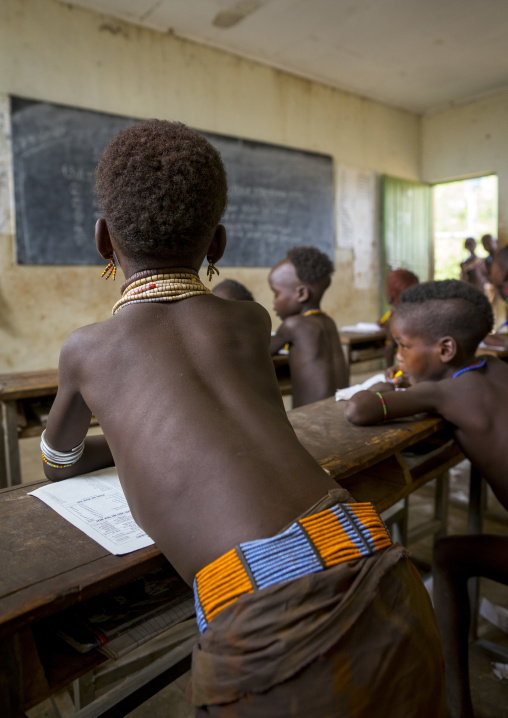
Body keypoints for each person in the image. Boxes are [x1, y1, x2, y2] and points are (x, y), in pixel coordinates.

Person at [42, 120, 445, 717]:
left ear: (104, 240)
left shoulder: (87, 349)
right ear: (220, 245)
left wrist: (122, 444)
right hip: (374, 557)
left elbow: (59, 462)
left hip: (268, 624)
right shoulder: (251, 321)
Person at [345, 279, 508, 718]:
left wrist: (387, 387)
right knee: (453, 551)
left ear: (447, 350)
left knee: (448, 555)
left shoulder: (446, 391)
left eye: (402, 346)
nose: (398, 356)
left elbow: (358, 410)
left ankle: (457, 704)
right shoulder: (494, 370)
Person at [268, 247, 348, 408]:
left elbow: (264, 349)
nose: (274, 302)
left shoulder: (293, 325)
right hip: (339, 412)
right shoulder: (329, 322)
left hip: (310, 420)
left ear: (302, 294)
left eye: (276, 294)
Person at [379, 268, 419, 366]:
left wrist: (389, 372)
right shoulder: (417, 308)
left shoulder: (397, 312)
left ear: (394, 291)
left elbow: (390, 347)